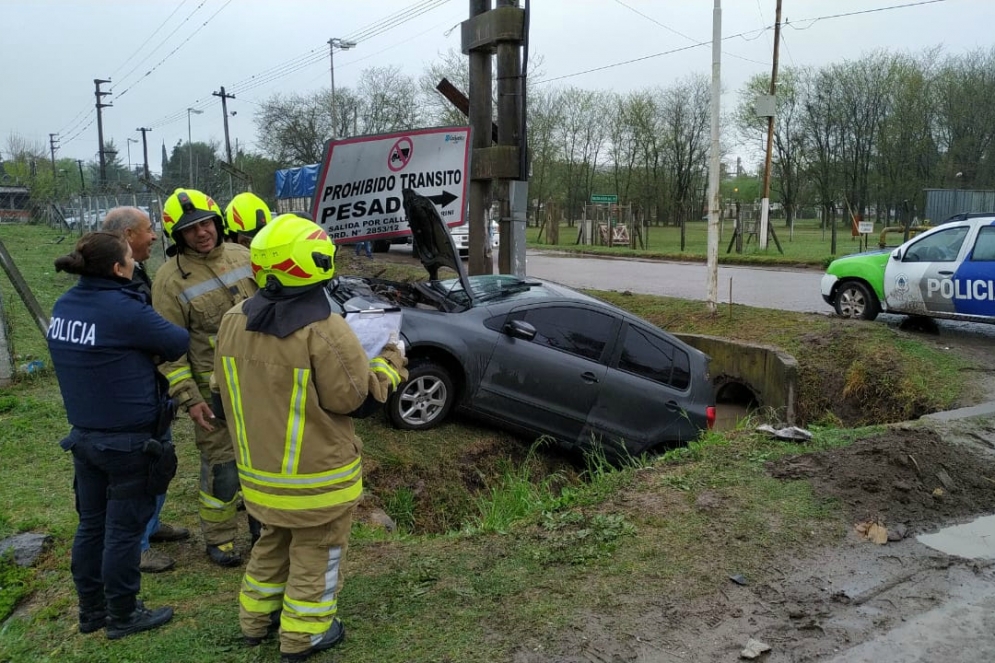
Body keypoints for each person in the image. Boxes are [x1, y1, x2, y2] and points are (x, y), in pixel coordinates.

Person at [213, 214, 408, 661]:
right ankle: (305, 636)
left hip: (261, 476)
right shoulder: (325, 329)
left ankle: (254, 621)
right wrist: (389, 361)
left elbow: (221, 389)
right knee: (317, 554)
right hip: (316, 479)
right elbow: (355, 400)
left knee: (272, 543)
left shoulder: (231, 320)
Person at [47, 231, 189, 639]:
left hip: (85, 437)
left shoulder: (65, 304)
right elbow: (176, 342)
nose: (134, 260)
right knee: (123, 533)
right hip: (128, 441)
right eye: (130, 255)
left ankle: (91, 611)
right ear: (118, 267)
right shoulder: (122, 308)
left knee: (91, 526)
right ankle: (124, 614)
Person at [152, 188, 258, 567]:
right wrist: (190, 398)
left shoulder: (246, 257)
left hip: (262, 384)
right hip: (214, 395)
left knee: (264, 462)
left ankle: (264, 530)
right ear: (177, 236)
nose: (201, 233)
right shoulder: (169, 282)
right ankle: (220, 539)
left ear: (218, 221)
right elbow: (168, 351)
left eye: (205, 223)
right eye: (191, 229)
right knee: (223, 469)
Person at [102, 207, 190, 574]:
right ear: (126, 236)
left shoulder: (131, 273)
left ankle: (149, 528)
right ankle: (136, 546)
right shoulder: (119, 286)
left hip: (147, 388)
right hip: (136, 395)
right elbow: (165, 338)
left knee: (158, 464)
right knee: (142, 469)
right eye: (149, 229)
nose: (155, 236)